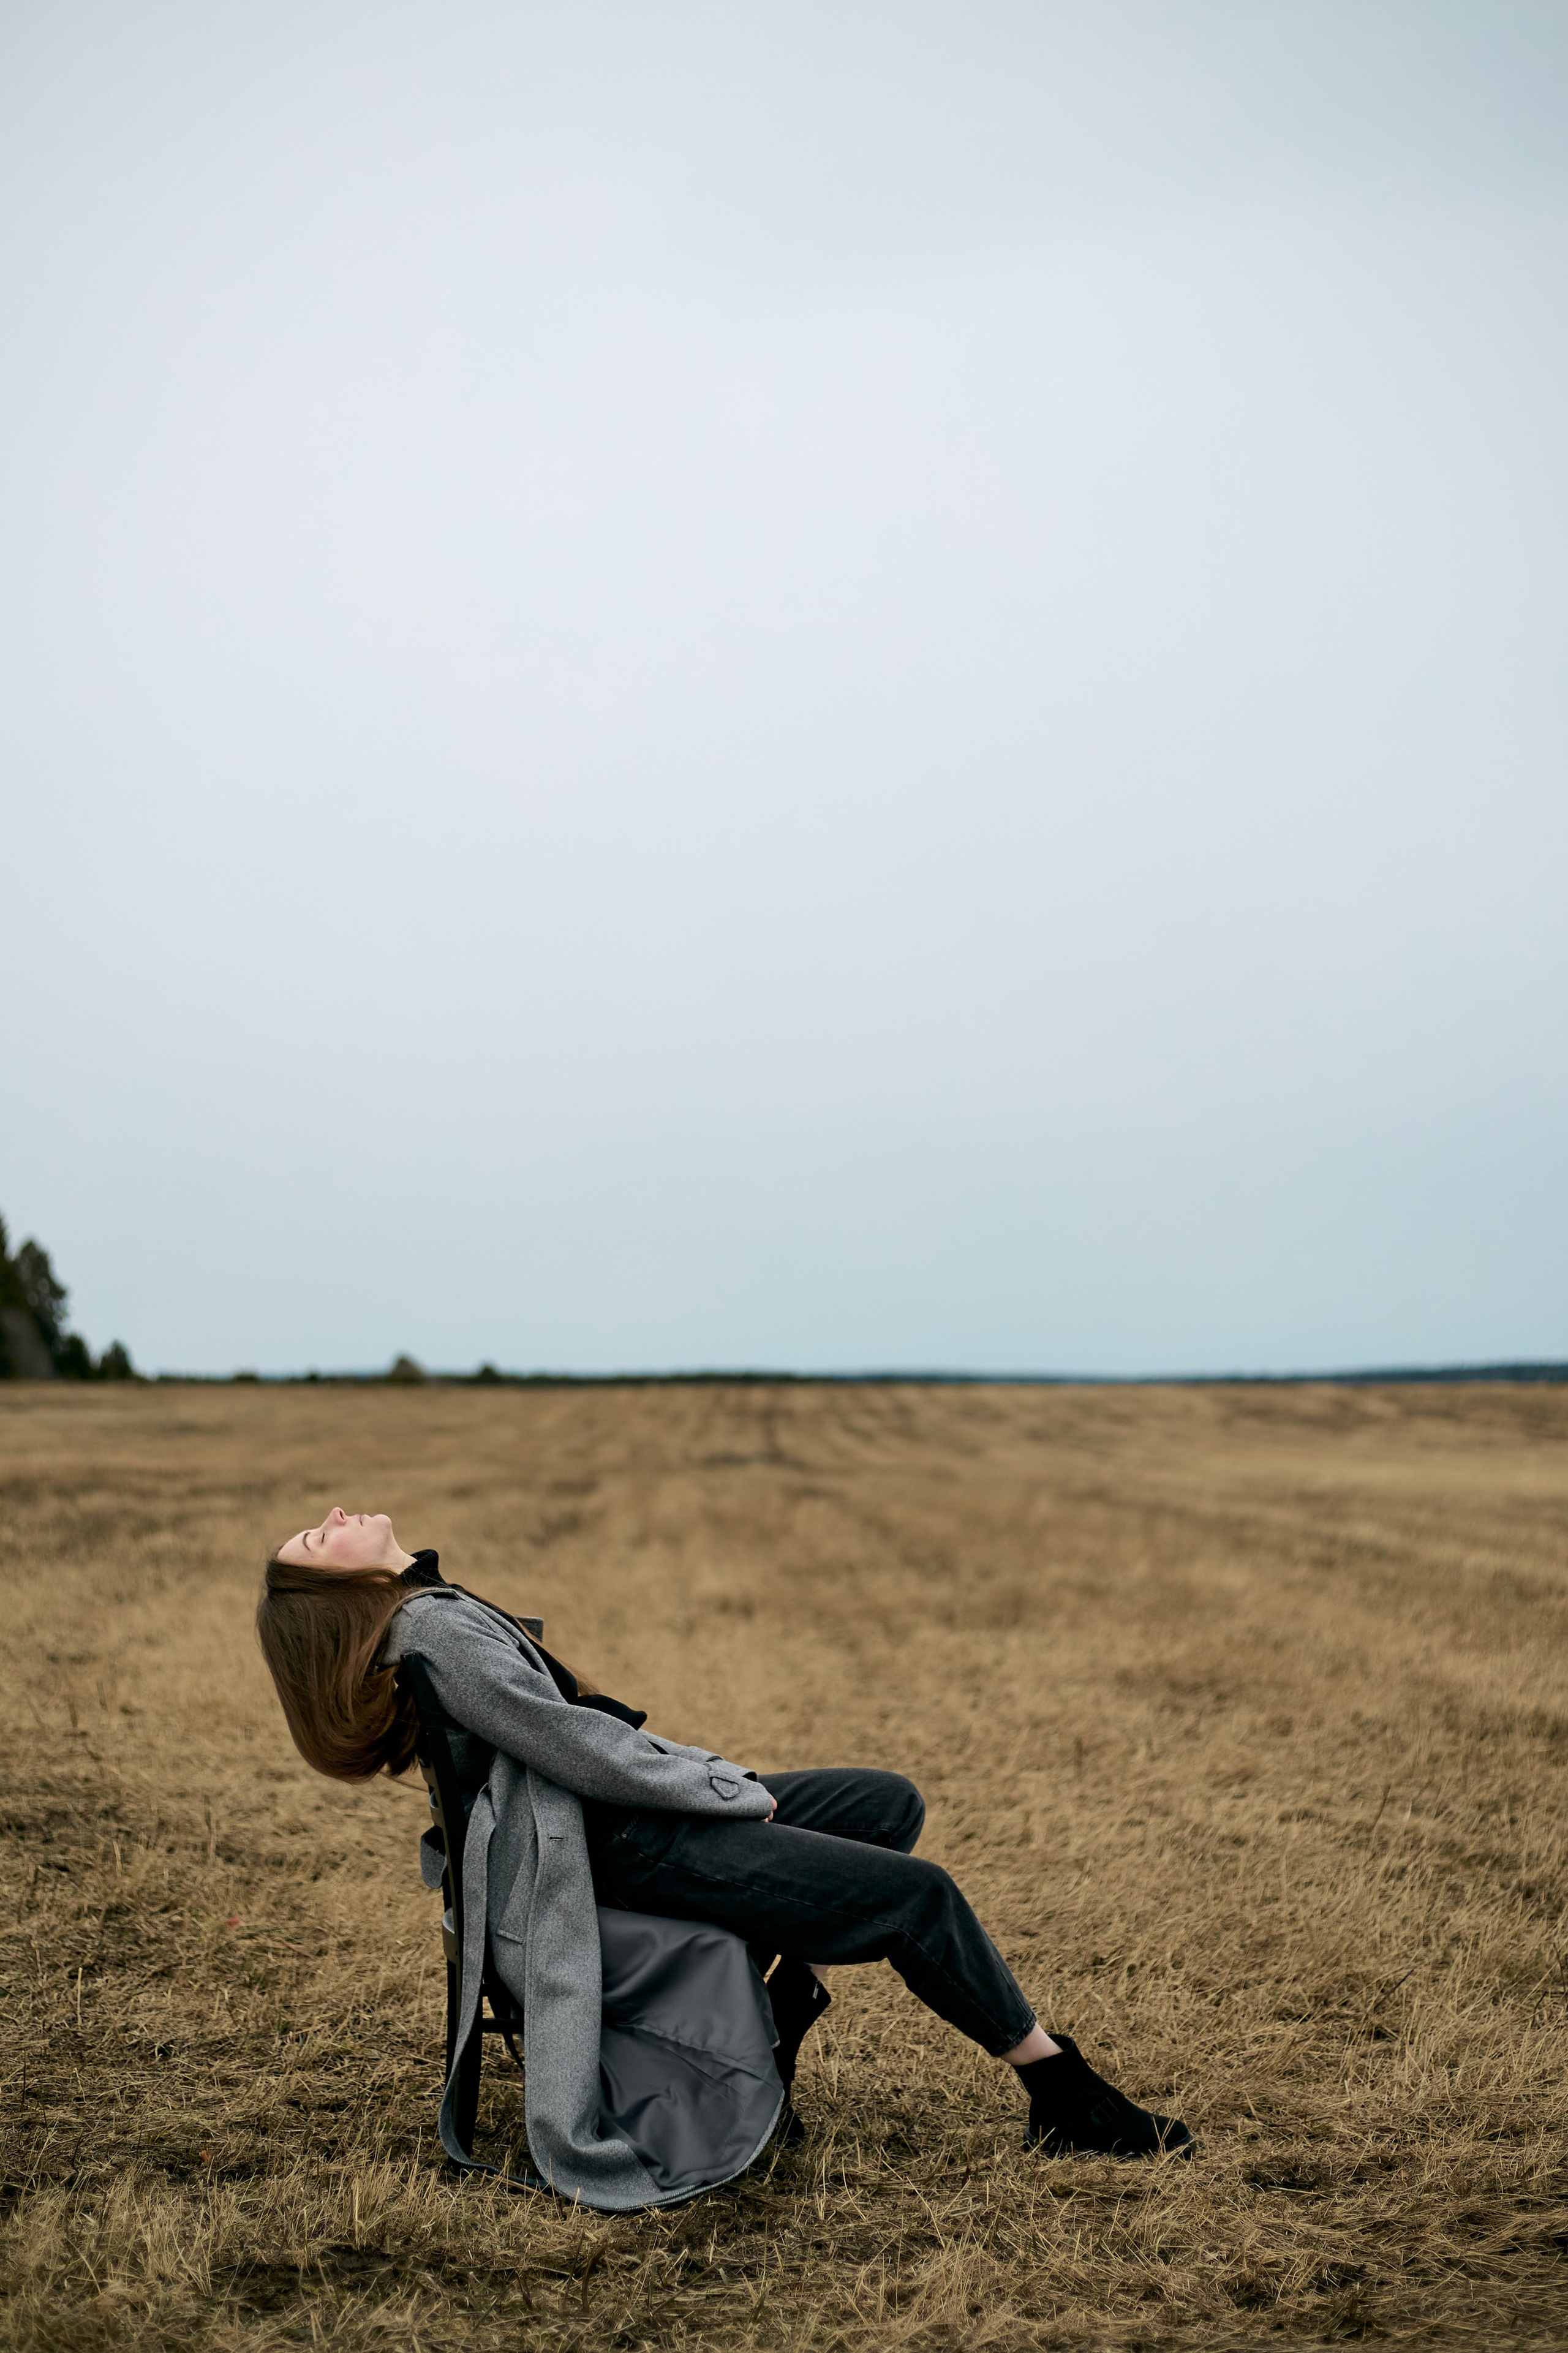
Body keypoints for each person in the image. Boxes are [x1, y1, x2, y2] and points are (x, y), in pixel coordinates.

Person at [257, 1505, 1193, 2198]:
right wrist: (723, 1789)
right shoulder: (430, 1627)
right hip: (617, 1842)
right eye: (316, 1536)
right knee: (918, 1896)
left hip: (617, 1819)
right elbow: (578, 1746)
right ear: (337, 1593)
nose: (334, 1516)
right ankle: (1061, 2093)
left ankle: (771, 2017)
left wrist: (715, 1775)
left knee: (883, 1802)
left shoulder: (431, 1613)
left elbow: (589, 1739)